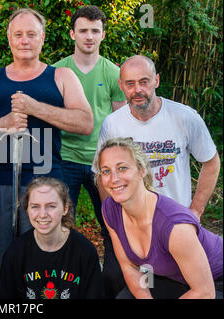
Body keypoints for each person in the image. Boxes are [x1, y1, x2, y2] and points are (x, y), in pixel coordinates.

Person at [0, 8, 93, 268]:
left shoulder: (61, 76)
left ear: (42, 38)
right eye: (18, 34)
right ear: (9, 39)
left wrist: (35, 108)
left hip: (48, 182)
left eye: (31, 34)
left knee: (47, 258)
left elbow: (85, 123)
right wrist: (2, 123)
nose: (24, 41)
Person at [94, 55, 221, 298]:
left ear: (157, 81)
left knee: (189, 281)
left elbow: (211, 162)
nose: (137, 89)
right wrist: (115, 211)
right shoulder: (112, 124)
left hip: (173, 227)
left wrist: (195, 210)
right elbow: (104, 172)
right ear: (121, 86)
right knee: (122, 280)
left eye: (144, 81)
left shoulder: (184, 117)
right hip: (139, 231)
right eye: (130, 83)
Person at [94, 137, 223, 299]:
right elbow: (129, 267)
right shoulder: (110, 209)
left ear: (142, 170)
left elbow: (204, 292)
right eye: (106, 171)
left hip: (214, 281)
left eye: (122, 168)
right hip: (170, 277)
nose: (114, 179)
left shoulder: (174, 225)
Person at [52, 5, 126, 228]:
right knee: (62, 224)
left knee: (113, 223)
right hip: (65, 157)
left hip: (102, 160)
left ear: (103, 35)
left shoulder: (114, 73)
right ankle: (64, 263)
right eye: (83, 31)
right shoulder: (56, 72)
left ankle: (115, 263)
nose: (89, 36)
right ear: (72, 33)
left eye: (95, 31)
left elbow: (121, 120)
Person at [0, 177, 104, 299]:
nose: (42, 214)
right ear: (27, 209)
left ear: (65, 208)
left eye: (51, 206)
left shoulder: (84, 251)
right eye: (35, 206)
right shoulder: (15, 253)